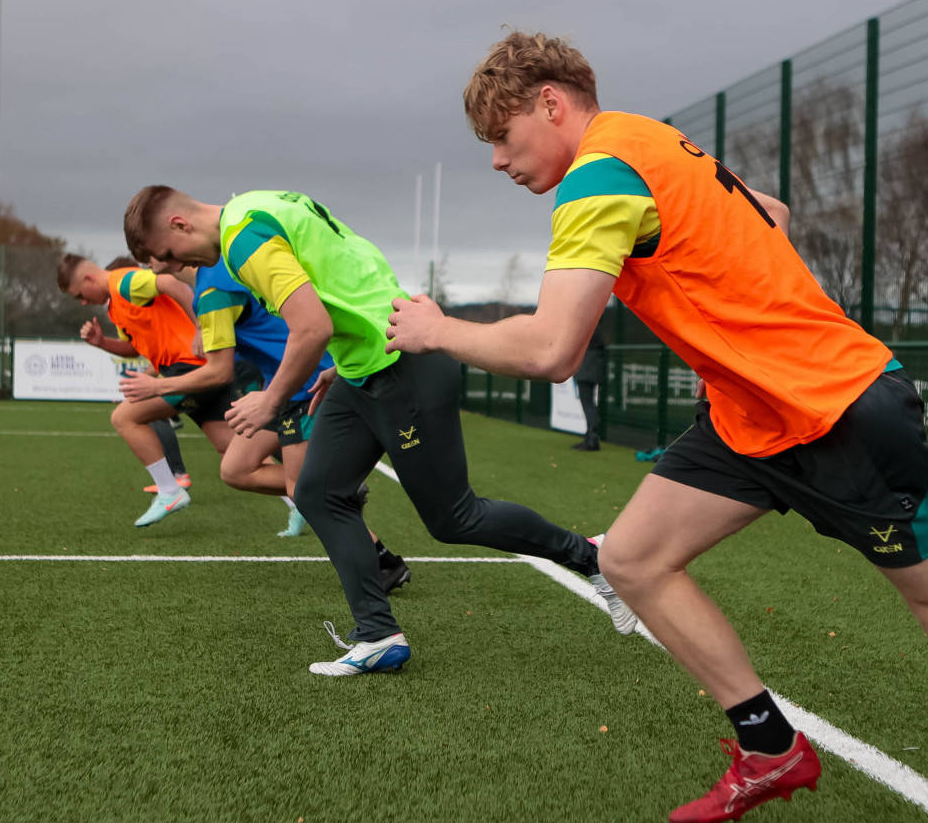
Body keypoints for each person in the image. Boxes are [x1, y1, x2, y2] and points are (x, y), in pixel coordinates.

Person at [382, 31, 928, 823]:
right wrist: (732, 324)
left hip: (841, 413)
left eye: (501, 135)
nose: (497, 160)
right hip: (750, 418)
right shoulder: (650, 139)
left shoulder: (598, 177)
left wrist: (437, 329)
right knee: (632, 558)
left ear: (550, 103)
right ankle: (769, 745)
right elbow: (770, 213)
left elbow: (552, 349)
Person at [122, 186, 636, 676]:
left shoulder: (242, 234)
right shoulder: (263, 204)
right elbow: (356, 265)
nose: (171, 266)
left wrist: (271, 399)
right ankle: (378, 636)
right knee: (317, 494)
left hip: (398, 365)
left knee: (454, 518)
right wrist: (343, 360)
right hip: (364, 367)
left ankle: (592, 558)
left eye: (166, 254)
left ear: (179, 224)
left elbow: (312, 327)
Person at [121, 255, 411, 592]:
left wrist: (158, 386)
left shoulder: (214, 288)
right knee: (236, 469)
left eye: (148, 249)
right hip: (279, 387)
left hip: (304, 385)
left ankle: (383, 562)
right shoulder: (210, 284)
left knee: (303, 491)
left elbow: (219, 372)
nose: (145, 260)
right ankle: (332, 488)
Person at [60, 253, 235, 528]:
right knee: (235, 449)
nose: (82, 302)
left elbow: (172, 284)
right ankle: (294, 498)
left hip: (188, 367)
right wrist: (102, 342)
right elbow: (135, 348)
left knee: (124, 417)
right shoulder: (115, 305)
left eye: (79, 295)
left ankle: (170, 490)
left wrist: (201, 325)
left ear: (88, 279)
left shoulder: (125, 282)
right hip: (191, 369)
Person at [571, 322, 606, 451]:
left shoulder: (587, 329)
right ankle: (590, 437)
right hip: (592, 370)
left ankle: (592, 439)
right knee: (589, 404)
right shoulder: (596, 332)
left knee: (588, 404)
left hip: (586, 371)